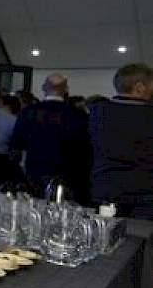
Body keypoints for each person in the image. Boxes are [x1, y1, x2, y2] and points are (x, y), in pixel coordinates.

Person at [10, 74, 91, 202]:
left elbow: (17, 143)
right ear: (65, 89)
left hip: (35, 169)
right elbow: (84, 146)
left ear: (44, 87)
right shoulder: (76, 114)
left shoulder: (29, 111)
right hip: (67, 172)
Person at [88, 63, 153, 218]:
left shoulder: (97, 112)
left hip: (104, 190)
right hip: (145, 193)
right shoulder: (149, 114)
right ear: (139, 87)